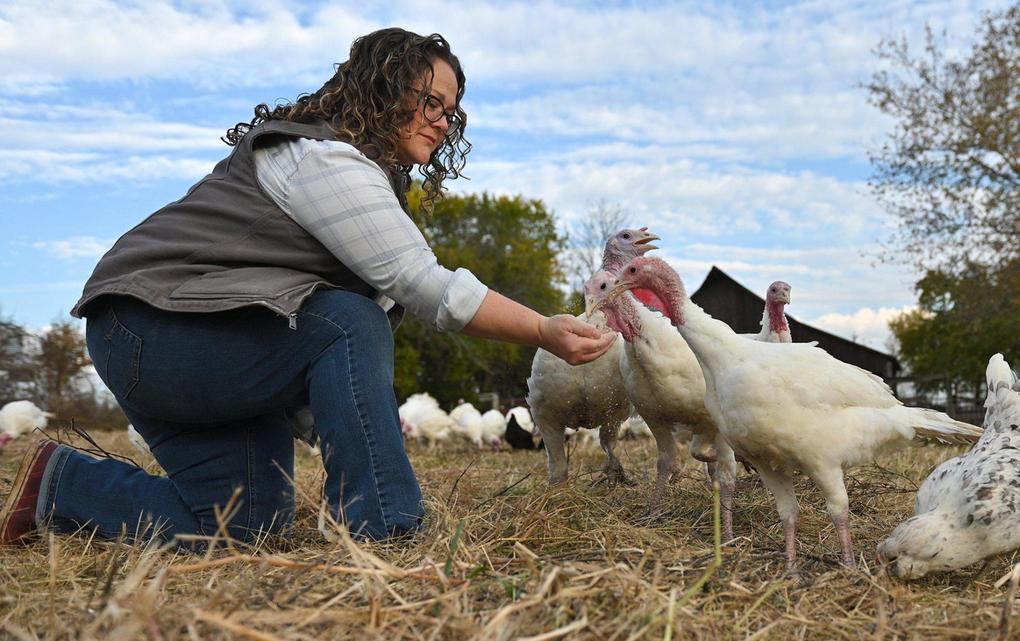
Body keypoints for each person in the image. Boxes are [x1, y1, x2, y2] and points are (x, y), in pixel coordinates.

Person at [0, 28, 615, 549]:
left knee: (240, 526)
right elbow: (421, 285)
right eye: (429, 100)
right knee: (349, 320)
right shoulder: (322, 158)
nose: (442, 121)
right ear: (381, 88)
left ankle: (61, 486)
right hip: (150, 330)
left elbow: (317, 348)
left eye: (450, 111)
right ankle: (387, 528)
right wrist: (542, 330)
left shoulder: (354, 173)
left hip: (184, 342)